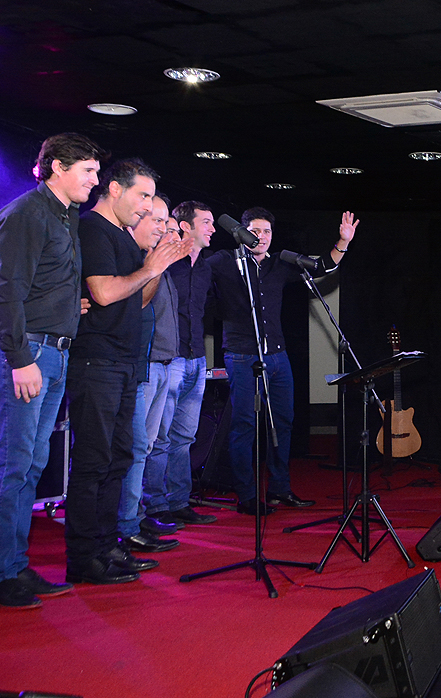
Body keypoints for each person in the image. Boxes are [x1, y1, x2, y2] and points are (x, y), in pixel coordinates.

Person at [0, 134, 104, 609]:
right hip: (25, 354)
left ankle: (15, 565)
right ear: (56, 167)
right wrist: (20, 360)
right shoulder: (28, 212)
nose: (95, 180)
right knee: (12, 467)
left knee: (30, 465)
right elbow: (4, 295)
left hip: (51, 350)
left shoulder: (63, 215)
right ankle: (1, 575)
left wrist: (69, 306)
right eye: (88, 171)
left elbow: (37, 285)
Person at [66, 158, 191, 586]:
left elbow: (134, 300)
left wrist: (155, 264)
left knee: (118, 458)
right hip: (96, 361)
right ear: (115, 190)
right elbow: (102, 293)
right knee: (93, 460)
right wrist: (152, 266)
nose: (146, 207)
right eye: (142, 196)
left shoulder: (122, 236)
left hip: (124, 362)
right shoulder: (92, 229)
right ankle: (84, 557)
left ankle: (107, 545)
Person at [208, 208, 357, 514]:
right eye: (255, 231)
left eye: (267, 232)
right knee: (244, 424)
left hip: (277, 355)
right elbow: (195, 273)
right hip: (241, 355)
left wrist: (342, 242)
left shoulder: (280, 263)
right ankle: (247, 495)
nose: (261, 237)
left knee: (284, 422)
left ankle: (279, 489)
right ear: (242, 232)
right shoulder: (225, 261)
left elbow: (322, 266)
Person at [144, 200, 219, 528]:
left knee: (185, 436)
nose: (213, 229)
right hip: (167, 359)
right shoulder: (166, 262)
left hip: (196, 358)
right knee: (159, 438)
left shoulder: (205, 267)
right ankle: (155, 506)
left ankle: (179, 501)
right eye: (206, 222)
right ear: (184, 226)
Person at [115, 195, 182, 554]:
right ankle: (126, 522)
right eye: (158, 222)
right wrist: (155, 265)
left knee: (146, 444)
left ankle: (133, 518)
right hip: (137, 365)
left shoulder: (158, 263)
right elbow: (138, 303)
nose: (163, 230)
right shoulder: (137, 258)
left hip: (158, 363)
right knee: (134, 446)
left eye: (167, 224)